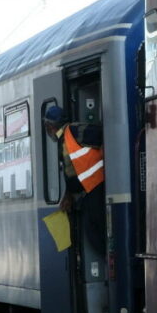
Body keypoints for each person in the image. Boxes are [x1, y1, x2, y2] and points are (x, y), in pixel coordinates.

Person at [42, 105, 106, 254]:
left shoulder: (74, 131)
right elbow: (71, 172)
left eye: (47, 126)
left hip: (97, 186)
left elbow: (102, 134)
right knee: (92, 232)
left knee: (96, 232)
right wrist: (68, 195)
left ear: (50, 126)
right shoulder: (63, 141)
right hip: (89, 190)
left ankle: (115, 266)